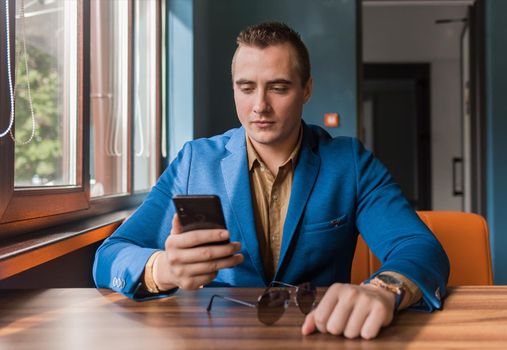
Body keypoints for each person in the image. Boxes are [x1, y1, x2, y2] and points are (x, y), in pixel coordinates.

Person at [93, 21, 449, 340]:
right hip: (215, 337)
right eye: (246, 88)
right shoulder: (194, 162)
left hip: (320, 333)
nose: (259, 105)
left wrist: (383, 288)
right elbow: (110, 256)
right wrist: (164, 269)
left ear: (306, 89)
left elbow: (419, 247)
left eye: (278, 88)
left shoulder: (349, 162)